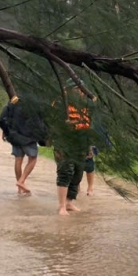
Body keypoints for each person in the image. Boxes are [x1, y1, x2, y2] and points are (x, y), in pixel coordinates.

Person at [50, 87, 92, 216]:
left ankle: (69, 202)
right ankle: (61, 206)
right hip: (64, 143)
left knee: (78, 173)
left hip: (81, 144)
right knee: (65, 172)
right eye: (77, 89)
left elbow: (89, 126)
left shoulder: (85, 105)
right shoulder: (60, 103)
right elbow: (51, 122)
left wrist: (89, 146)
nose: (80, 92)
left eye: (81, 90)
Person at [0, 94, 48, 195]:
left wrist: (5, 131)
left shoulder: (15, 99)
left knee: (18, 159)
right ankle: (21, 181)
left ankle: (20, 188)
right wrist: (43, 136)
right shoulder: (35, 100)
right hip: (28, 137)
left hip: (14, 135)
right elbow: (40, 119)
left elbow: (5, 115)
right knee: (33, 158)